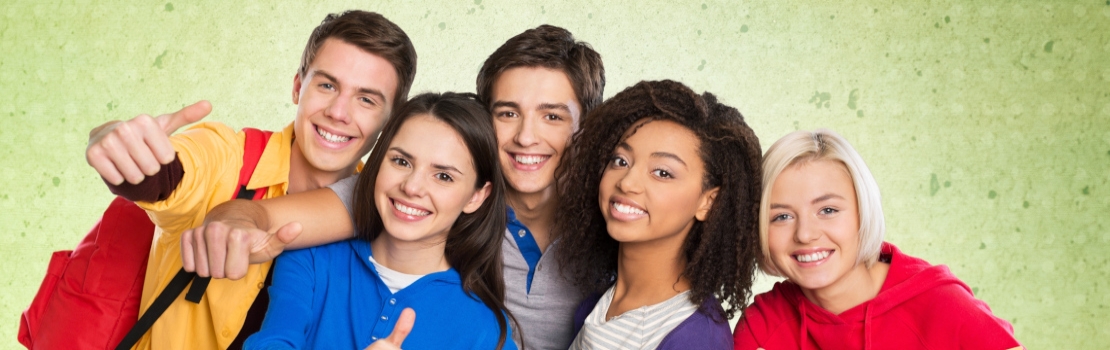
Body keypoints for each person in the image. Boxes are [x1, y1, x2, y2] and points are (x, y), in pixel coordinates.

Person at [181, 24, 604, 350]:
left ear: (588, 124)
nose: (526, 137)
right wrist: (231, 223)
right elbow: (261, 219)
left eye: (552, 117)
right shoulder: (386, 199)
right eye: (507, 113)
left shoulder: (613, 225)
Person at [83, 10, 416, 350]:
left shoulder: (386, 213)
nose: (338, 112)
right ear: (298, 86)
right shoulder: (229, 155)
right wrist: (119, 146)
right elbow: (170, 176)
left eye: (366, 99)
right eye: (327, 85)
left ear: (391, 122)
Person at [244, 92, 516, 350]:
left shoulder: (486, 326)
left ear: (476, 197)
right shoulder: (310, 259)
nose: (412, 187)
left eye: (443, 176)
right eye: (401, 161)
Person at [733, 129, 1023, 349]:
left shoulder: (943, 305)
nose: (805, 234)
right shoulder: (763, 327)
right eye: (781, 217)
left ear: (863, 211)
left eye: (828, 210)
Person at [555, 80, 763, 350]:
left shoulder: (697, 338)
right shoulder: (595, 303)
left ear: (708, 202)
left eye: (662, 172)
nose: (627, 182)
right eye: (621, 161)